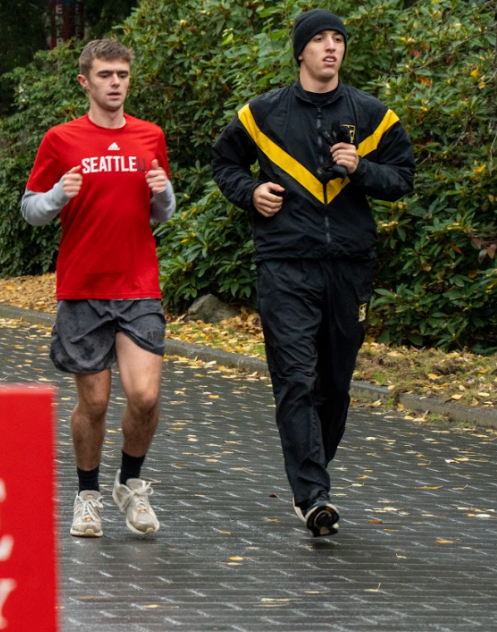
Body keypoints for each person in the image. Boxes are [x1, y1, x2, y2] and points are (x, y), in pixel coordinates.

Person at [211, 9, 415, 537]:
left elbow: (402, 179)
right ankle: (312, 495)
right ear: (300, 52)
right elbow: (224, 164)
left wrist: (361, 168)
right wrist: (249, 193)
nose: (330, 48)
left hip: (349, 266)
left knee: (335, 386)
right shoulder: (262, 114)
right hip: (285, 264)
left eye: (337, 40)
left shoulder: (374, 116)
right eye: (319, 40)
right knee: (296, 380)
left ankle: (314, 473)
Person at [21, 38, 175, 538]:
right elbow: (30, 210)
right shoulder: (61, 139)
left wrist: (164, 192)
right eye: (106, 75)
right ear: (85, 81)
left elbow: (163, 212)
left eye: (122, 75)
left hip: (138, 285)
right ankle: (87, 494)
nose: (115, 83)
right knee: (95, 404)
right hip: (83, 287)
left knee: (145, 397)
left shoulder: (150, 136)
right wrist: (55, 196)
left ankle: (130, 484)